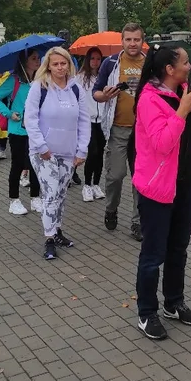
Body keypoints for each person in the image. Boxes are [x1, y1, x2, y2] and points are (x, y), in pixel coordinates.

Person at [132, 45, 191, 340]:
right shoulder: (149, 99)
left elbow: (187, 136)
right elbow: (162, 143)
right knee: (153, 254)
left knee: (178, 249)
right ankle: (147, 312)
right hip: (157, 186)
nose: (189, 66)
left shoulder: (181, 91)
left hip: (184, 182)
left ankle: (174, 302)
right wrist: (182, 112)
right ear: (169, 70)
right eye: (185, 62)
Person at [24, 47, 89, 260]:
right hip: (44, 153)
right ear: (48, 66)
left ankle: (57, 230)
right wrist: (42, 147)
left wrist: (82, 149)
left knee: (61, 194)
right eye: (55, 64)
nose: (60, 68)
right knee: (50, 193)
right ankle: (49, 238)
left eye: (64, 63)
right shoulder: (38, 87)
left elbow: (84, 120)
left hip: (68, 151)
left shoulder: (76, 88)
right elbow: (30, 119)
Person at [93, 23, 146, 240]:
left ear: (142, 41)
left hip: (144, 131)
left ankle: (137, 222)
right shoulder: (111, 63)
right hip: (118, 129)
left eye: (136, 39)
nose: (132, 43)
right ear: (122, 41)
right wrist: (105, 95)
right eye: (128, 39)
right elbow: (96, 92)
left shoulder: (150, 63)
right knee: (116, 175)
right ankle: (111, 207)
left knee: (139, 179)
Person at [0, 50, 42, 216]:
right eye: (34, 59)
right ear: (24, 61)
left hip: (36, 129)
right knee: (18, 164)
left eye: (38, 58)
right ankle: (14, 200)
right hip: (18, 130)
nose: (38, 61)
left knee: (36, 164)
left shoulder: (40, 81)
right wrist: (9, 113)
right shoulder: (14, 80)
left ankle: (35, 197)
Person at [77, 48, 106, 202]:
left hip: (102, 120)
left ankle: (96, 184)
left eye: (98, 59)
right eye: (93, 58)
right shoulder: (80, 78)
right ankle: (87, 185)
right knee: (93, 152)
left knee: (100, 153)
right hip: (87, 121)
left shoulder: (104, 77)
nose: (95, 62)